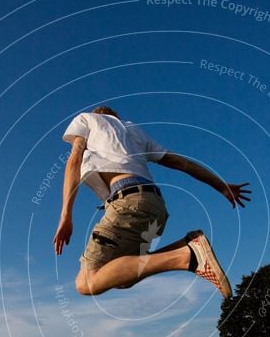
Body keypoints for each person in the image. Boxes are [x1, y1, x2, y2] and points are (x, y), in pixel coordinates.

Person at [53, 106, 251, 298]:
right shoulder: (135, 132)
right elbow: (182, 163)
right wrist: (221, 186)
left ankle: (188, 255)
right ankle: (187, 245)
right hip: (155, 207)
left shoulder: (87, 119)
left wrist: (66, 215)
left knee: (86, 282)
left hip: (128, 202)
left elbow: (74, 159)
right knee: (121, 277)